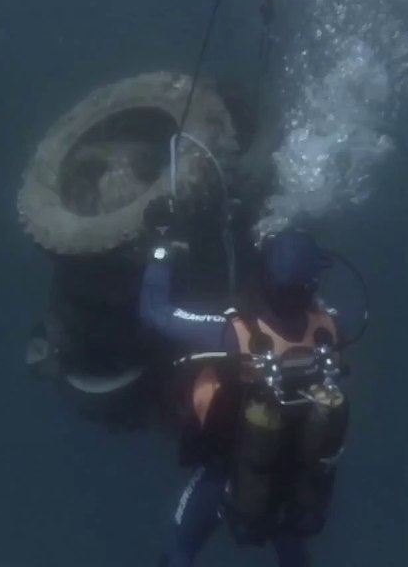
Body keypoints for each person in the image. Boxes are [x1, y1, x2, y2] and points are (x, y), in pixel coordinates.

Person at [139, 201, 349, 567]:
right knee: (294, 553)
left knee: (180, 550)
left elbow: (156, 313)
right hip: (293, 479)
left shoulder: (235, 334)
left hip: (227, 471)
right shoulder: (329, 330)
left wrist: (161, 248)